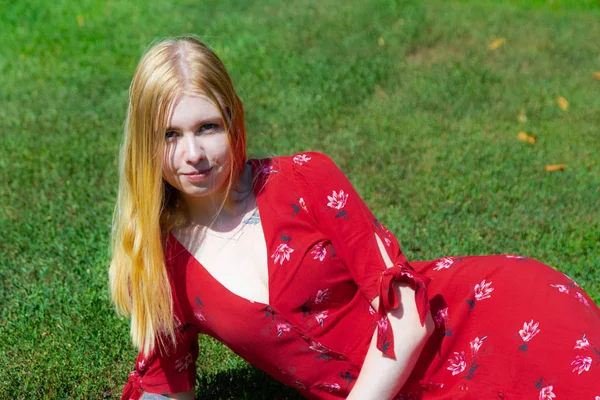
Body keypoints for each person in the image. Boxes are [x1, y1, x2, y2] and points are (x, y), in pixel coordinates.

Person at [109, 36, 600, 400]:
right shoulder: (161, 261)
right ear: (144, 147)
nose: (192, 153)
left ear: (233, 120)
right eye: (169, 135)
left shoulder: (304, 179)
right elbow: (164, 382)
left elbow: (409, 316)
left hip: (489, 321)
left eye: (207, 127)